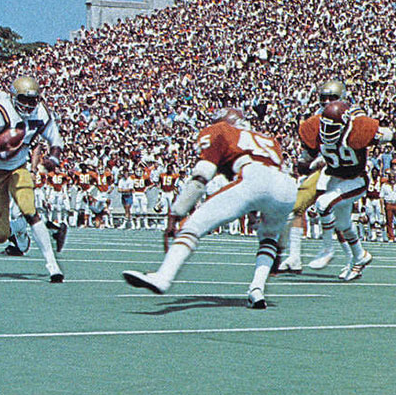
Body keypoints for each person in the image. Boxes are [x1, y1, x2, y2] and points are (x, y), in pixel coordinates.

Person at [123, 107, 297, 309]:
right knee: (268, 238)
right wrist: (279, 248)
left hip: (253, 178)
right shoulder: (269, 141)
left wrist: (176, 213)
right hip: (287, 187)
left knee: (192, 226)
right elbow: (269, 183)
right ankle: (257, 289)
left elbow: (201, 177)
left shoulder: (221, 131)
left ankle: (163, 277)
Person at [0, 75, 66, 283]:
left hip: (18, 167)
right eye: (25, 99)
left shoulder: (41, 112)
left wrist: (54, 159)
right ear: (13, 97)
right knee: (0, 234)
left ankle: (52, 265)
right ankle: (20, 228)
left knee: (30, 208)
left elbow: (56, 139)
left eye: (33, 100)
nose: (30, 105)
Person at [298, 100, 396, 280]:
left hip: (356, 181)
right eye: (325, 125)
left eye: (333, 126)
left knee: (323, 204)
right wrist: (308, 162)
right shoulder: (316, 130)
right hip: (335, 179)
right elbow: (305, 163)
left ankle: (327, 249)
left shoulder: (357, 130)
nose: (328, 130)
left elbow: (393, 136)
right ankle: (360, 257)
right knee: (343, 225)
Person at [278, 79, 350, 273]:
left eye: (332, 98)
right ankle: (294, 258)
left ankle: (355, 259)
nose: (327, 101)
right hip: (322, 172)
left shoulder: (353, 119)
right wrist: (305, 160)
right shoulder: (315, 121)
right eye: (323, 98)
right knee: (296, 207)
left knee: (342, 222)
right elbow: (309, 153)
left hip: (345, 173)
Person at [379, 170, 396, 242]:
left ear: (395, 177)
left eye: (393, 177)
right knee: (389, 221)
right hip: (388, 204)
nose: (392, 178)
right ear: (388, 177)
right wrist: (382, 208)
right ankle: (391, 237)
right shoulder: (384, 185)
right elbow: (381, 197)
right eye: (390, 177)